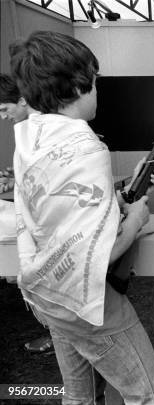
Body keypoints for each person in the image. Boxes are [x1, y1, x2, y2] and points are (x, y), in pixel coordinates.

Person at [10, 31, 154, 404]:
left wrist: (120, 192)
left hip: (44, 297)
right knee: (150, 397)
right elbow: (95, 259)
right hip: (84, 306)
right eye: (95, 81)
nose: (97, 90)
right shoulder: (86, 148)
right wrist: (136, 220)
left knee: (79, 397)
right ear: (78, 85)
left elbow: (58, 209)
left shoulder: (31, 139)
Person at [0, 73, 55, 353]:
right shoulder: (26, 135)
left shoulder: (43, 132)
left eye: (4, 109)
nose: (3, 116)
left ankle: (58, 336)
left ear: (22, 100)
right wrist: (16, 180)